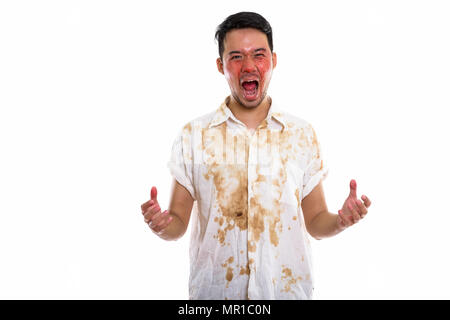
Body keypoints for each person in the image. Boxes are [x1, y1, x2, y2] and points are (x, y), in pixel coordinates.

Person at [141, 11, 372, 300]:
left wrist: (341, 220)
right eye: (236, 57)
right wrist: (161, 226)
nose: (248, 66)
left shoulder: (301, 135)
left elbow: (315, 221)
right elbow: (176, 223)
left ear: (273, 60)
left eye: (258, 55)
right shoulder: (194, 136)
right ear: (220, 65)